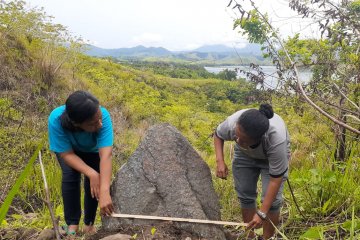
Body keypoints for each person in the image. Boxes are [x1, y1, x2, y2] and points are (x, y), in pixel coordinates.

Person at [214, 104, 290, 240]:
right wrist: (220, 161)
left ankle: (268, 238)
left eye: (242, 139)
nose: (237, 140)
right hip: (244, 155)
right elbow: (218, 134)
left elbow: (275, 179)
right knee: (245, 195)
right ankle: (250, 236)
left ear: (258, 138)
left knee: (272, 203)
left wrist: (262, 212)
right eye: (236, 136)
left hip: (270, 159)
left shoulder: (276, 140)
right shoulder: (233, 123)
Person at [48, 90, 114, 236]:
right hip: (69, 152)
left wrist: (104, 191)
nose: (100, 124)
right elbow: (66, 154)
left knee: (96, 181)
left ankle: (88, 224)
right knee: (70, 176)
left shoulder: (103, 116)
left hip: (93, 151)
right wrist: (90, 173)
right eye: (93, 124)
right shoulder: (56, 120)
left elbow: (106, 155)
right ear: (77, 124)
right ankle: (72, 225)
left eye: (99, 118)